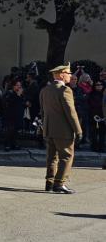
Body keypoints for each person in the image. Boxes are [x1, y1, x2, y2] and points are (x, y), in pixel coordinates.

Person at [39, 64, 82, 194]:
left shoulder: (45, 90)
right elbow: (71, 113)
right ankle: (60, 183)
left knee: (51, 157)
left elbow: (42, 112)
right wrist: (78, 130)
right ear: (62, 74)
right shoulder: (65, 90)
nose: (70, 76)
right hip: (63, 131)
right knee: (66, 156)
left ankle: (50, 182)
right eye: (68, 73)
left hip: (49, 129)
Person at [2, 80, 26, 151]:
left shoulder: (21, 94)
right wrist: (18, 95)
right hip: (10, 115)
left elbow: (22, 102)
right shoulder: (9, 93)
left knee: (16, 131)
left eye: (20, 85)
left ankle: (14, 144)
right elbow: (8, 103)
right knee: (9, 131)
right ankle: (7, 145)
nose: (19, 87)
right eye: (17, 85)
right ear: (13, 86)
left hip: (18, 115)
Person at [89, 80, 104, 152]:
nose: (99, 86)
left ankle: (102, 147)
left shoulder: (104, 94)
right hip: (94, 116)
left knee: (102, 133)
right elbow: (90, 105)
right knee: (94, 133)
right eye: (97, 85)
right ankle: (94, 147)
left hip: (103, 117)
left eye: (100, 84)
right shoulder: (91, 94)